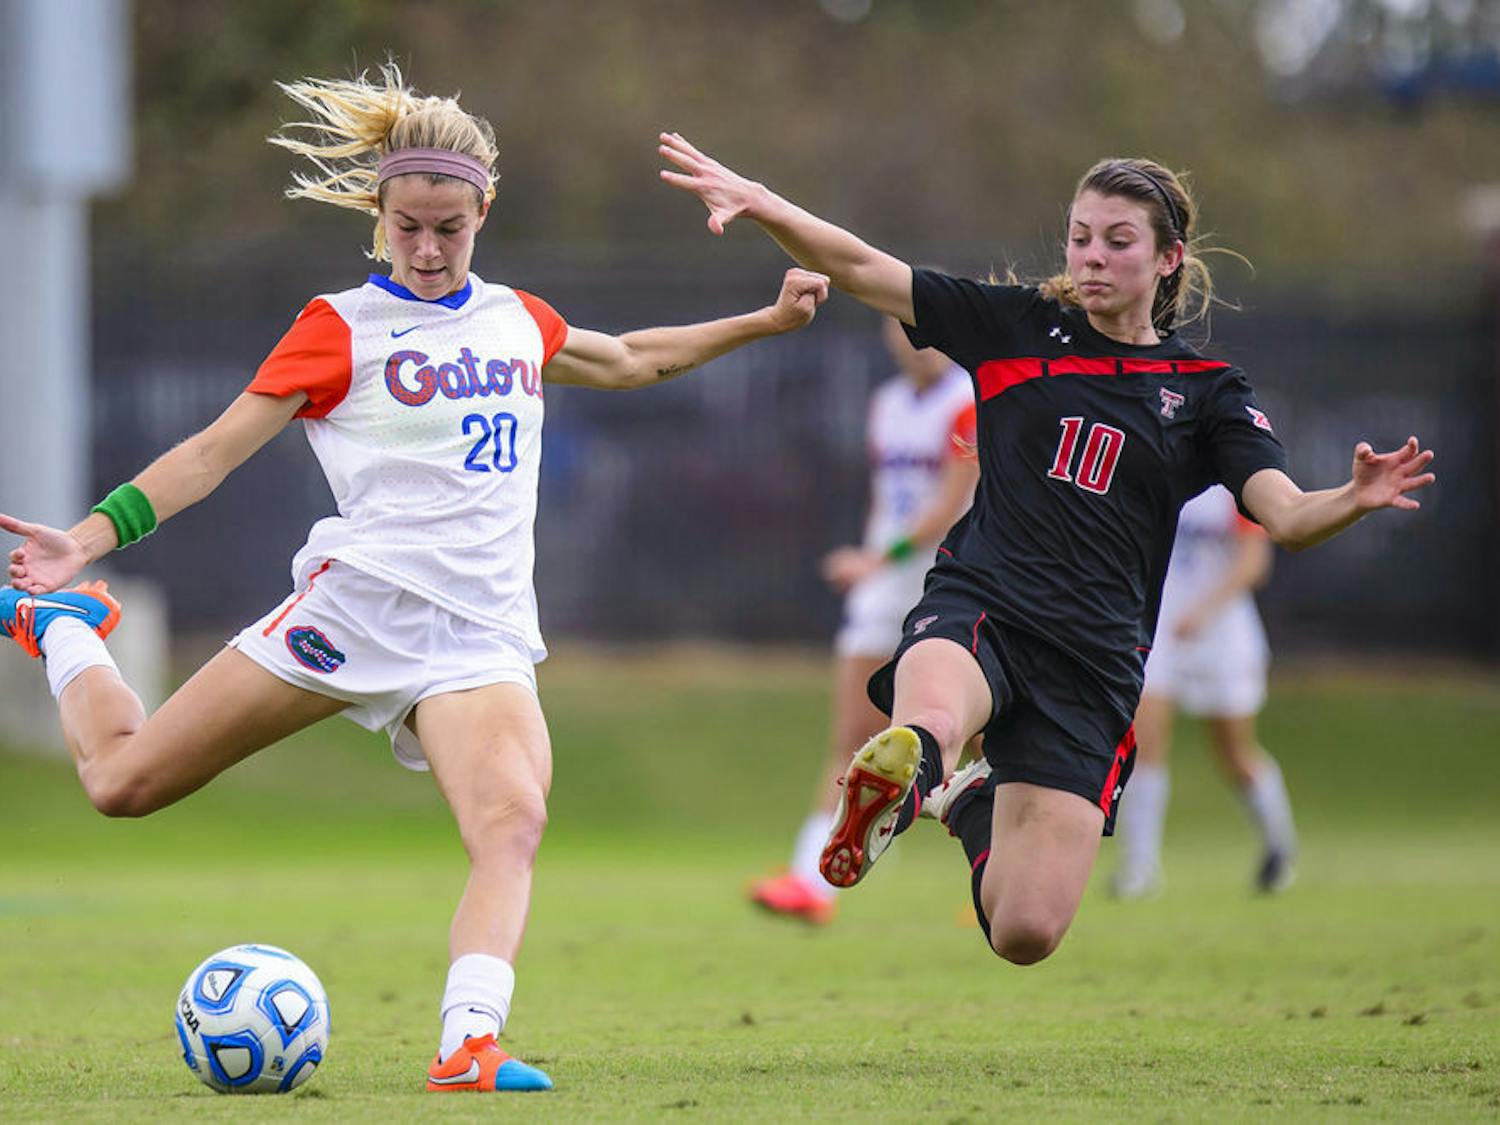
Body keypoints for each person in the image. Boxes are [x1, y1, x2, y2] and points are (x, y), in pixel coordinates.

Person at [0, 67, 827, 1094]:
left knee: (512, 823)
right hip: (355, 609)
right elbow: (212, 453)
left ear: (484, 211)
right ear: (379, 218)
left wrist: (766, 323)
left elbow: (629, 360)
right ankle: (66, 626)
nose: (429, 251)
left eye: (449, 228)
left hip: (479, 635)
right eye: (408, 229)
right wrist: (87, 538)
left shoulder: (518, 319)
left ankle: (467, 1043)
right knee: (121, 785)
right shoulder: (337, 325)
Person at [660, 132, 1435, 965]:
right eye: (1079, 236)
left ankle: (954, 799)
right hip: (983, 601)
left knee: (1025, 931)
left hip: (1094, 660)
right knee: (930, 717)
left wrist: (1351, 499)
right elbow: (859, 265)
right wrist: (760, 200)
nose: (1092, 256)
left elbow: (1282, 514)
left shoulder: (1209, 391)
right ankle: (913, 769)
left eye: (1118, 240)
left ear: (1170, 258)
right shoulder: (1016, 328)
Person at [749, 317, 978, 925]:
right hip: (884, 585)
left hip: (951, 582)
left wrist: (876, 558)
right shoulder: (888, 404)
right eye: (903, 329)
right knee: (853, 734)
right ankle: (811, 880)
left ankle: (997, 875)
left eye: (928, 330)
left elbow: (948, 507)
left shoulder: (969, 402)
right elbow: (892, 499)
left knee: (978, 742)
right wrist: (878, 561)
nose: (916, 341)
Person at [1111, 483, 1297, 898]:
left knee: (1235, 754)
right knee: (1143, 744)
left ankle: (1279, 849)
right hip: (1158, 631)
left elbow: (1254, 562)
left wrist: (1204, 611)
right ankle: (1139, 869)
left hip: (1223, 632)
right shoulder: (1157, 473)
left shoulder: (1236, 484)